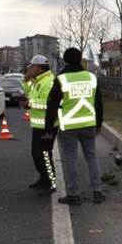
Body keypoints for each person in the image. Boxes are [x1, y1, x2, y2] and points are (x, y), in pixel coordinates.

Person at [44, 47, 104, 206]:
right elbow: (98, 103)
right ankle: (97, 191)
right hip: (89, 124)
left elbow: (52, 105)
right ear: (80, 60)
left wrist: (48, 128)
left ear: (66, 60)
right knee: (91, 156)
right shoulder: (91, 77)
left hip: (69, 126)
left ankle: (74, 194)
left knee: (70, 159)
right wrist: (99, 123)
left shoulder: (61, 79)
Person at [21, 55, 59, 196]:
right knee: (36, 154)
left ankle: (50, 182)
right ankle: (44, 178)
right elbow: (32, 95)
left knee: (44, 154)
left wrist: (30, 104)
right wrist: (26, 84)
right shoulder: (38, 81)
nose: (30, 69)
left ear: (38, 67)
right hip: (39, 124)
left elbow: (49, 103)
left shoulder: (48, 81)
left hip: (47, 125)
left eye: (32, 66)